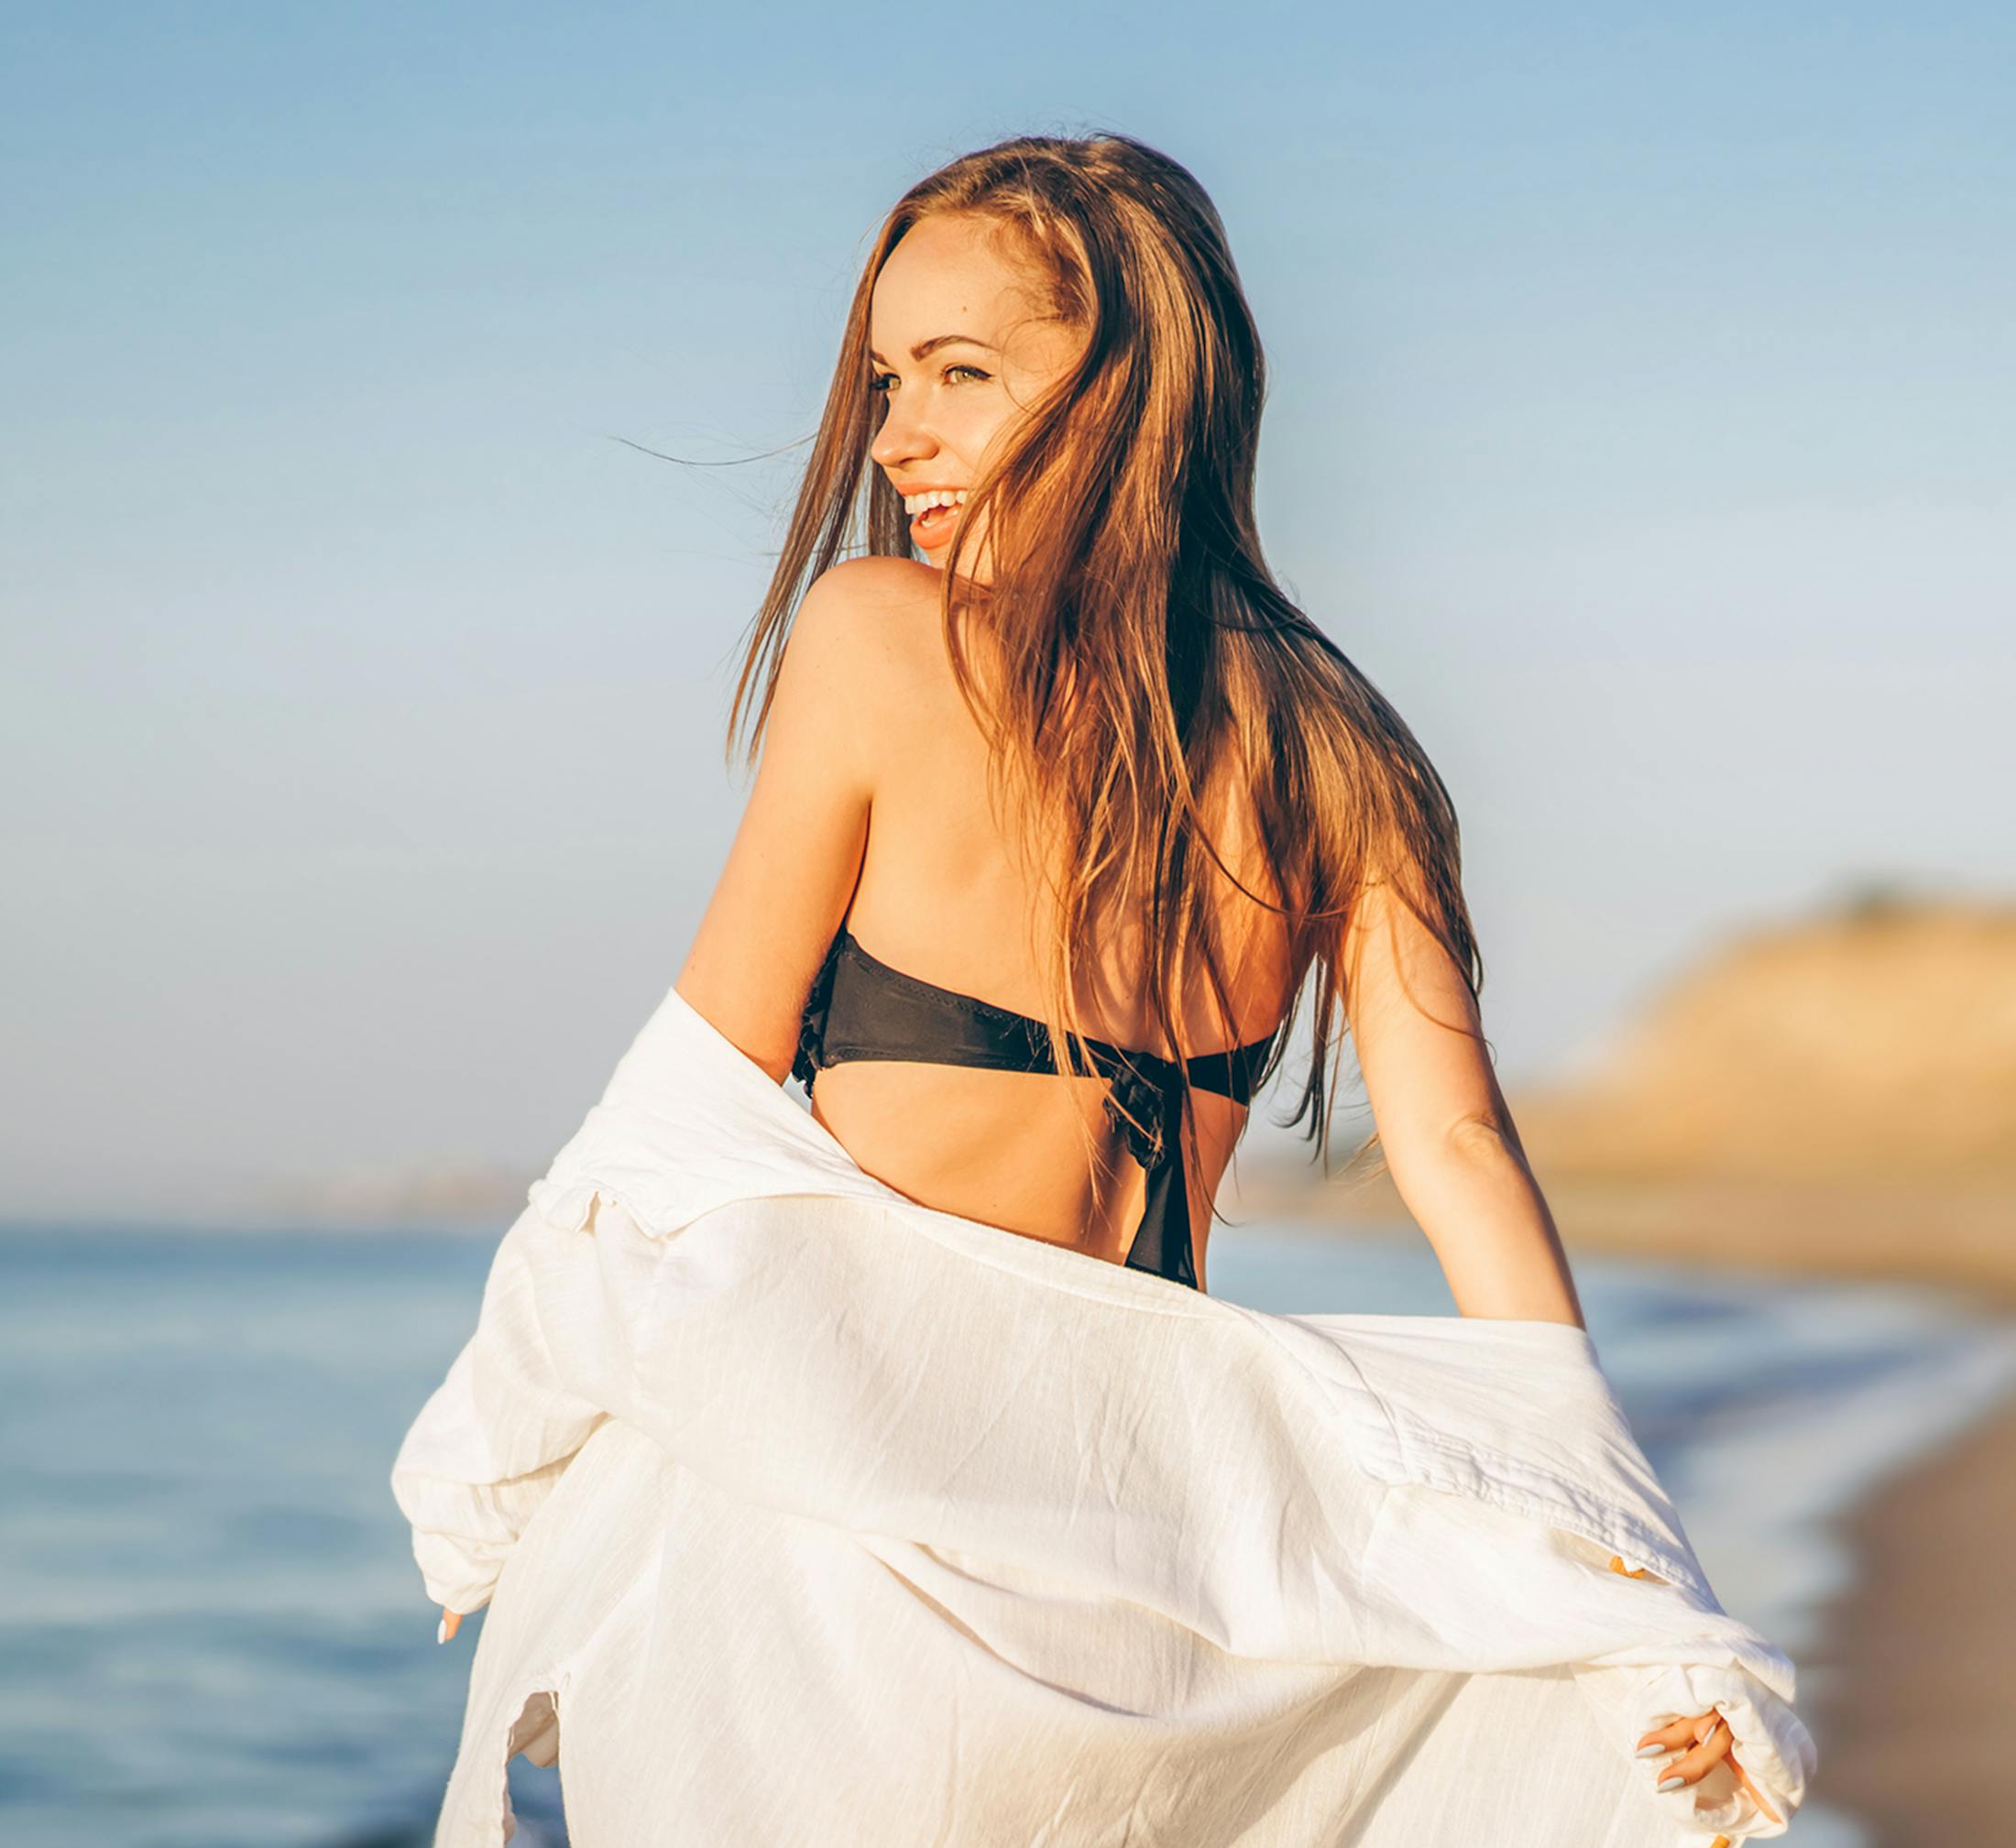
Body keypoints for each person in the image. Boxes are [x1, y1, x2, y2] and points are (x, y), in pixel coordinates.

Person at [399, 133, 1810, 1846]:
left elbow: (681, 1113)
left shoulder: (877, 636)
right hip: (1151, 1583)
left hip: (834, 1568)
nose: (895, 436)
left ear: (1131, 385)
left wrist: (485, 1457)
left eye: (961, 374)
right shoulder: (1345, 750)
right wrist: (1629, 1565)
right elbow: (1460, 1155)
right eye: (887, 381)